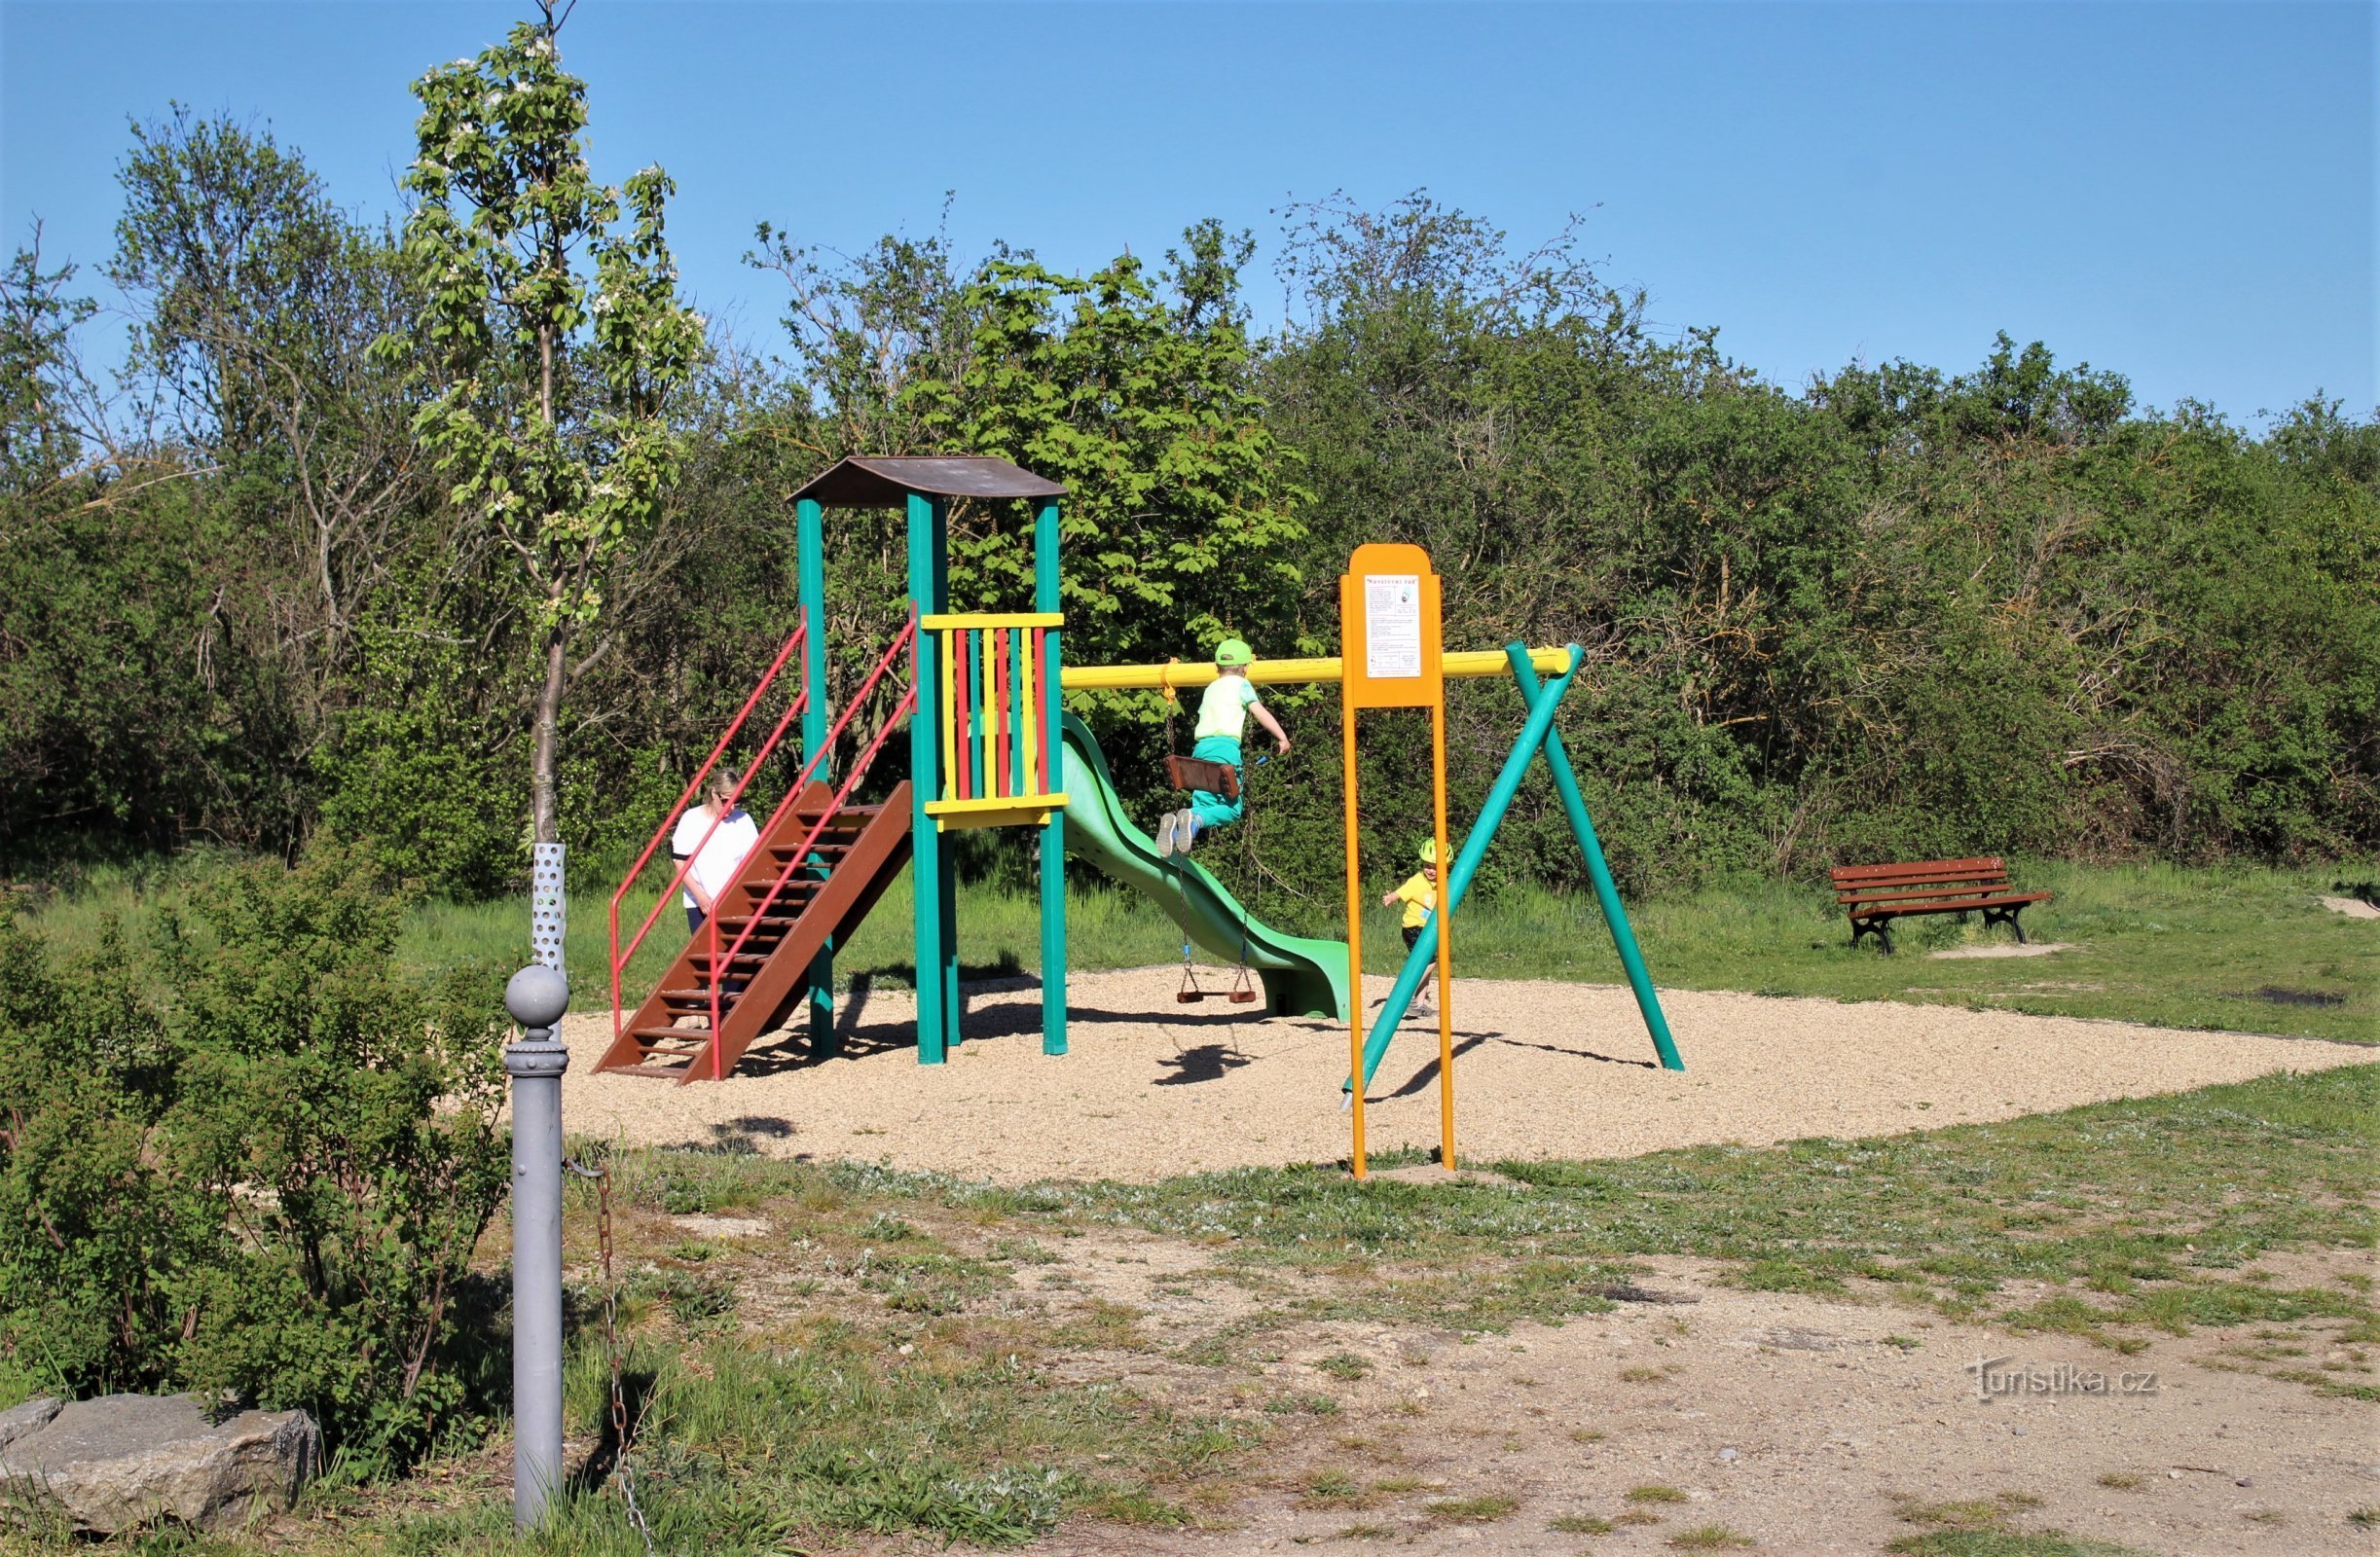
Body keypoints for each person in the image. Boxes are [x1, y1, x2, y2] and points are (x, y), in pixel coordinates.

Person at [1155, 636, 1289, 857]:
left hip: (1200, 751)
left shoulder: (1211, 688)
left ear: (1217, 667)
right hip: (1225, 749)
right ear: (1245, 668)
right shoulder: (1241, 685)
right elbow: (1259, 711)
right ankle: (1195, 820)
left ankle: (1179, 826)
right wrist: (1281, 737)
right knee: (1232, 809)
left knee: (1204, 803)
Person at [672, 770, 760, 934]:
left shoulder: (744, 821)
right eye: (726, 801)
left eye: (737, 802)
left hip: (735, 902)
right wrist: (701, 897)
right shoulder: (691, 819)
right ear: (714, 794)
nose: (731, 807)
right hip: (700, 904)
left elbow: (753, 864)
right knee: (705, 956)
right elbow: (679, 861)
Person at [1381, 838, 1442, 1013]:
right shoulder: (1417, 880)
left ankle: (1418, 1004)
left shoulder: (1442, 884)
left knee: (1426, 965)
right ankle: (1407, 985)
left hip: (1428, 930)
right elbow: (1401, 892)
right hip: (1414, 928)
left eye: (1434, 866)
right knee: (1429, 962)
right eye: (1427, 866)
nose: (1430, 870)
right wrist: (1390, 898)